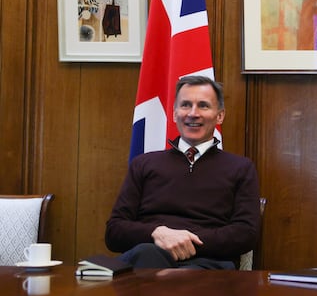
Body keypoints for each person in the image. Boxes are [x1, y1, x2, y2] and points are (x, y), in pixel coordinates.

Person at [105, 75, 261, 269]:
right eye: (186, 105)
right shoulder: (143, 164)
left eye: (203, 106)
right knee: (146, 254)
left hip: (207, 266)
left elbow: (245, 234)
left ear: (220, 115)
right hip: (147, 259)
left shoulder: (241, 168)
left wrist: (185, 240)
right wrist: (158, 233)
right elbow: (114, 232)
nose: (193, 113)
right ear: (174, 113)